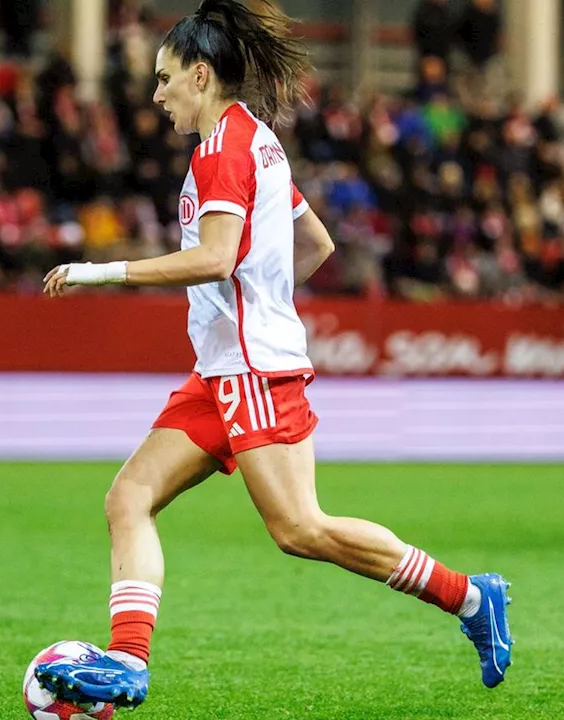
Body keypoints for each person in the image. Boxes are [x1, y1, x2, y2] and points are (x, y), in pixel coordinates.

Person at [33, 0, 513, 708]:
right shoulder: (256, 139)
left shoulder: (223, 150)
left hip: (251, 369)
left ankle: (471, 598)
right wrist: (266, 301)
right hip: (227, 367)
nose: (157, 94)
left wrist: (102, 271)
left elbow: (216, 256)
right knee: (128, 497)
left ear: (201, 76)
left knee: (300, 529)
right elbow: (314, 245)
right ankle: (129, 663)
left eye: (165, 79)